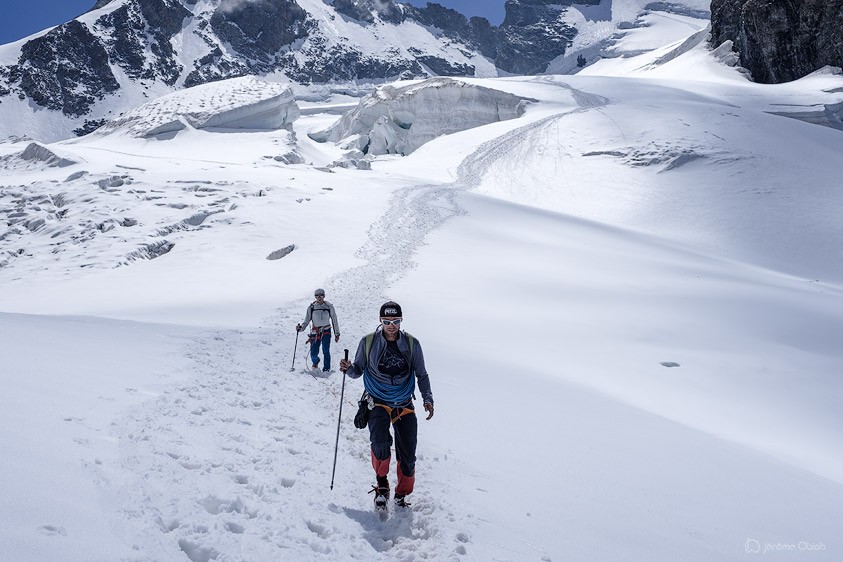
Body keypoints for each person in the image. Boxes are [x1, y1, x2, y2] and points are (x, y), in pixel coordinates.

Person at [339, 301, 434, 509]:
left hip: (403, 402)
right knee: (380, 445)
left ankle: (401, 494)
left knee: (408, 453)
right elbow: (357, 370)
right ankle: (382, 487)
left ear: (401, 321)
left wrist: (427, 398)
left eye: (396, 321)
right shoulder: (368, 342)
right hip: (377, 401)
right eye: (387, 321)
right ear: (380, 321)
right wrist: (347, 369)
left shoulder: (412, 344)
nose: (392, 325)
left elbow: (422, 374)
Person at [296, 288, 340, 372]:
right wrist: (300, 328)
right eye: (317, 296)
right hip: (315, 332)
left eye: (321, 295)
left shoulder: (329, 307)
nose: (319, 298)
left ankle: (326, 369)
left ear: (324, 296)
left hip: (326, 330)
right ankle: (316, 361)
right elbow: (306, 321)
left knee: (326, 350)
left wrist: (337, 334)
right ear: (315, 297)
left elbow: (334, 320)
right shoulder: (311, 308)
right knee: (313, 352)